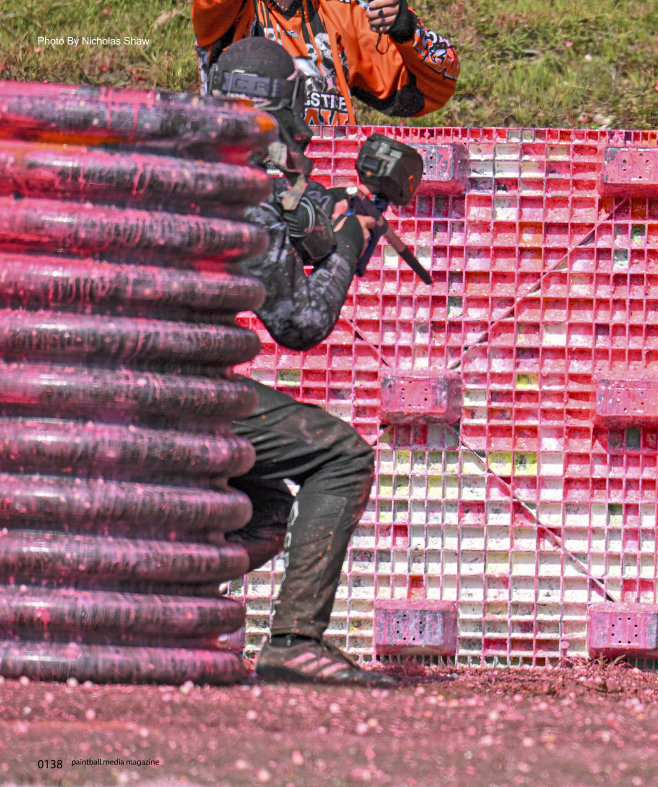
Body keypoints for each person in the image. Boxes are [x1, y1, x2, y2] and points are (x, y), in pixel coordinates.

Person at [207, 37, 395, 686]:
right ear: (286, 107)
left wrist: (315, 218)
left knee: (261, 507)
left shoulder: (176, 162)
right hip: (180, 392)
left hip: (104, 386)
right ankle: (294, 640)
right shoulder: (244, 191)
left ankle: (161, 599)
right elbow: (301, 324)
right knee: (341, 456)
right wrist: (346, 245)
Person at [193, 0, 459, 126]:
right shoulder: (228, 10)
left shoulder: (343, 13)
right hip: (241, 177)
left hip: (326, 181)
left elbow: (432, 89)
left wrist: (406, 29)